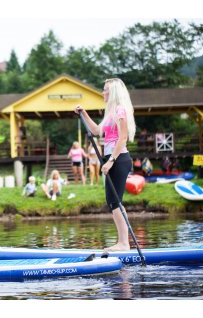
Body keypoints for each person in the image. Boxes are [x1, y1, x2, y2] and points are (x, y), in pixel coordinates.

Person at [75, 78, 136, 252]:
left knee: (114, 201)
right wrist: (83, 113)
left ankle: (124, 244)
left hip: (119, 158)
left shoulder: (120, 110)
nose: (103, 93)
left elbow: (122, 137)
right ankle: (123, 242)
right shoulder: (110, 113)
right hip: (112, 158)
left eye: (105, 90)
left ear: (113, 92)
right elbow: (95, 131)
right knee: (113, 201)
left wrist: (110, 161)